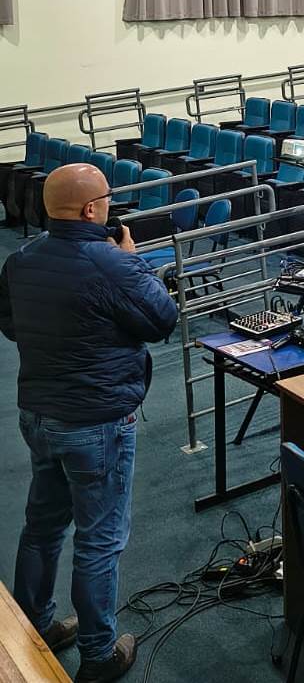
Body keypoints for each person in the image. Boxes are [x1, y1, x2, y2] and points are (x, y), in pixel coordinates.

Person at [0, 163, 178, 683]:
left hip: (38, 415)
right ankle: (99, 655)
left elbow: (10, 323)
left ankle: (33, 625)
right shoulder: (112, 263)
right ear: (91, 209)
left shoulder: (21, 259)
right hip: (96, 423)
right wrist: (133, 260)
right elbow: (162, 319)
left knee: (42, 526)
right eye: (106, 198)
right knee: (99, 539)